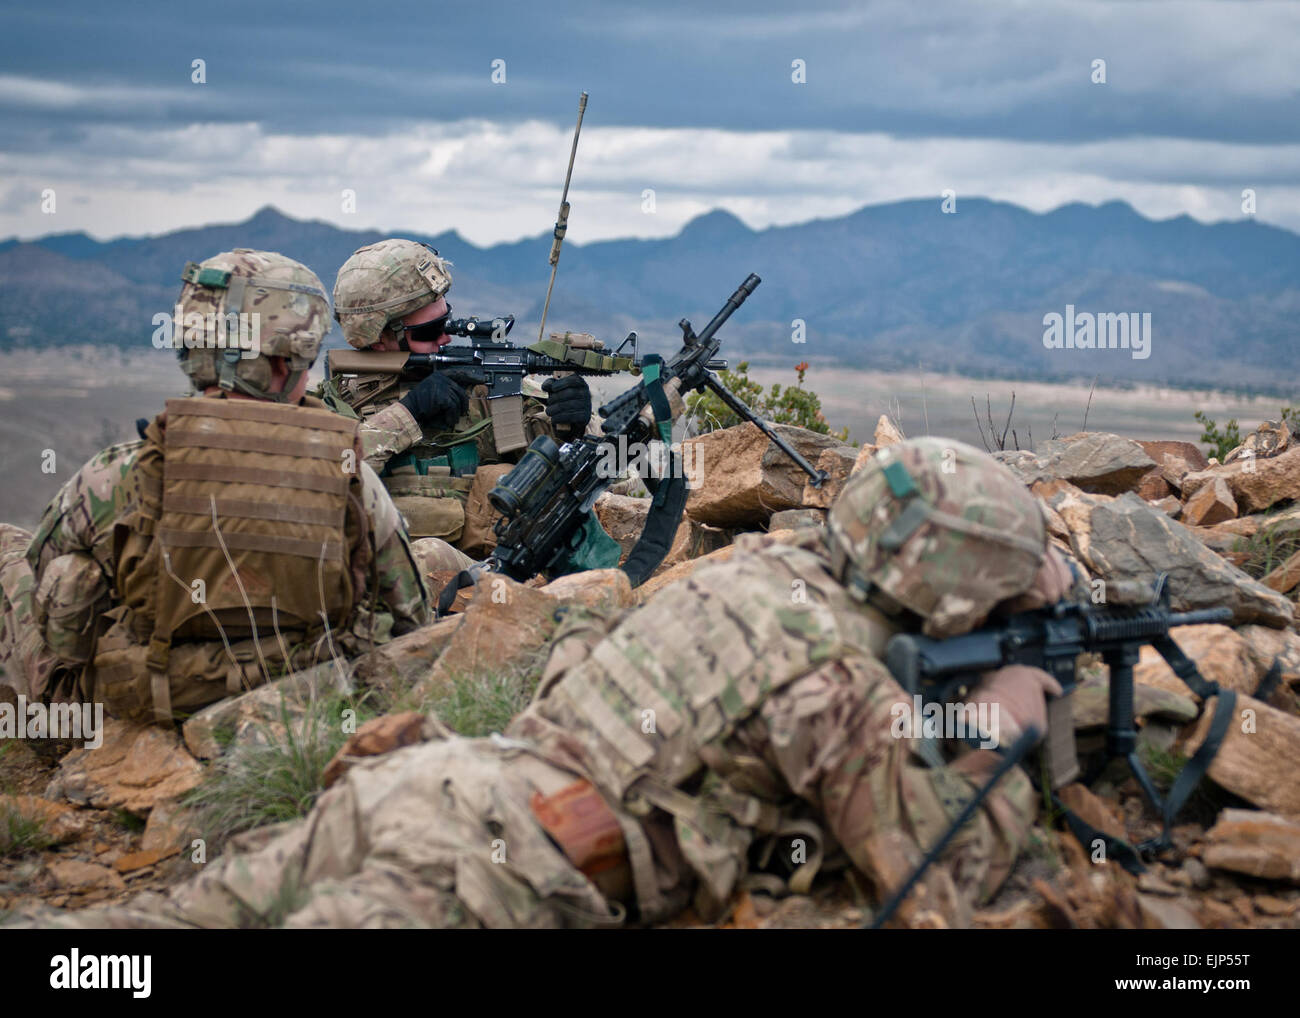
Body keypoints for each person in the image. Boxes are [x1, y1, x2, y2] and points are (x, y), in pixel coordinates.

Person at [12, 437, 1083, 929]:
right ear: (949, 594)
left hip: (428, 786)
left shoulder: (758, 575)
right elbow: (938, 877)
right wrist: (1009, 726)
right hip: (497, 868)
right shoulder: (842, 685)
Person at [0, 250, 430, 725]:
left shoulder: (116, 474)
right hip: (304, 698)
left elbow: (55, 618)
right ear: (288, 363)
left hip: (142, 700)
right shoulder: (351, 476)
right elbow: (410, 617)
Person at [322, 239, 599, 571]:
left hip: (497, 570)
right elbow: (323, 479)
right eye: (430, 331)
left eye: (448, 321)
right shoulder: (336, 406)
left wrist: (572, 427)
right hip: (383, 575)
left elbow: (573, 467)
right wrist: (409, 414)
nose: (446, 338)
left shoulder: (481, 388)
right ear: (378, 336)